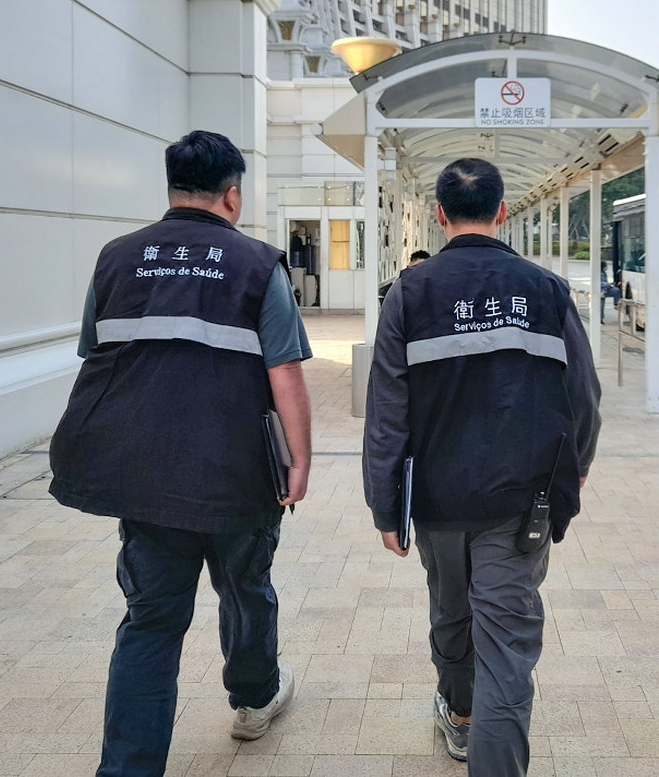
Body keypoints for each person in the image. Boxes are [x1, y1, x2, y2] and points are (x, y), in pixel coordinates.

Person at [49, 130, 313, 777]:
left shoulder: (117, 259)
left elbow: (95, 354)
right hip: (237, 472)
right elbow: (284, 372)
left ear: (171, 189)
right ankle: (253, 701)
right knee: (246, 589)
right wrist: (300, 460)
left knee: (150, 621)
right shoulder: (258, 265)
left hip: (144, 472)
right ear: (232, 196)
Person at [363, 157, 601, 777]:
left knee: (450, 609)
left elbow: (387, 409)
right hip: (523, 501)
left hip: (437, 498)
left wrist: (385, 504)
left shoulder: (409, 292)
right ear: (501, 211)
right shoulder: (545, 290)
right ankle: (483, 738)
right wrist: (575, 468)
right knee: (507, 644)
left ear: (440, 214)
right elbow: (583, 394)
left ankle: (463, 715)